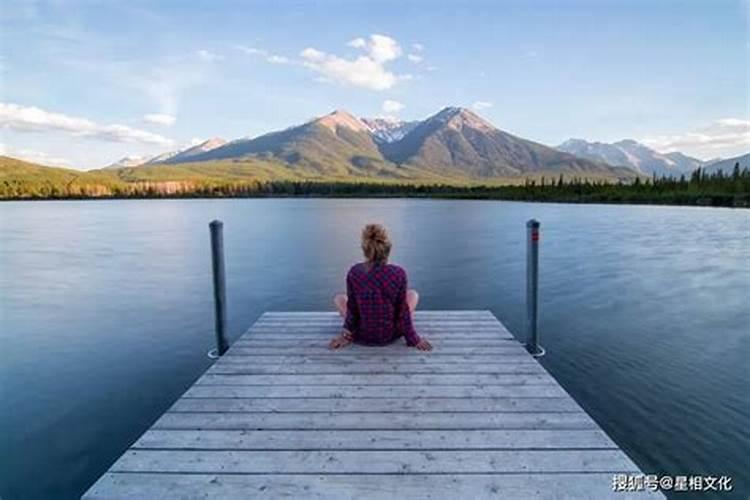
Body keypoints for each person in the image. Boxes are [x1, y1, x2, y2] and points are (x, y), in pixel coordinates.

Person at [329, 224, 433, 351]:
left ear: (365, 250)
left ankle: (351, 332)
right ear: (388, 249)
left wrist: (346, 335)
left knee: (340, 298)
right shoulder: (398, 273)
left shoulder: (355, 272)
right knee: (412, 295)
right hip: (390, 335)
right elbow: (403, 312)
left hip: (362, 334)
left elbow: (352, 309)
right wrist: (413, 339)